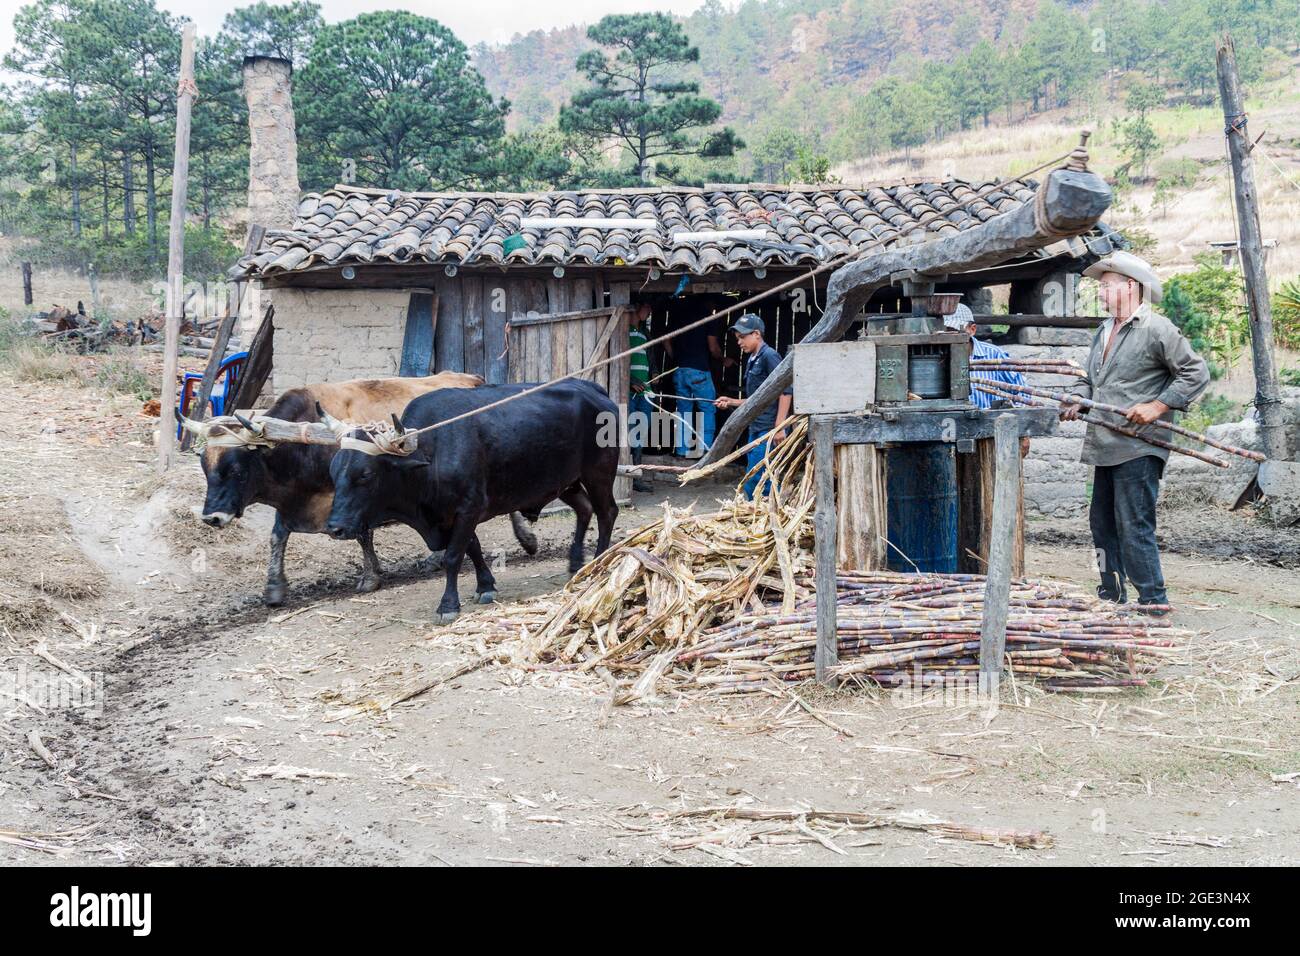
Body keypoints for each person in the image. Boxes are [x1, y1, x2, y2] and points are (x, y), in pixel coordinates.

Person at [1059, 251, 1209, 613]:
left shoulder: (1157, 329)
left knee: (1133, 525)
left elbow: (1195, 372)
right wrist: (1079, 400)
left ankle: (1153, 603)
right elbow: (1089, 380)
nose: (1100, 293)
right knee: (1101, 526)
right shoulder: (1103, 329)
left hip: (1140, 446)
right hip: (1105, 442)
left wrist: (1157, 406)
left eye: (1106, 286)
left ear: (1130, 287)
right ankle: (1111, 595)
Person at [714, 314, 793, 500]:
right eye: (737, 338)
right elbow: (756, 399)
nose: (739, 342)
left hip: (769, 429)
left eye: (742, 337)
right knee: (759, 474)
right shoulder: (752, 359)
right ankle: (768, 512)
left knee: (757, 476)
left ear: (756, 334)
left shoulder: (769, 356)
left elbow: (786, 391)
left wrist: (780, 426)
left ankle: (764, 513)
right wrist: (731, 402)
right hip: (756, 427)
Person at [946, 302, 1031, 457]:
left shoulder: (994, 356)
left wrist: (1023, 433)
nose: (949, 337)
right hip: (952, 437)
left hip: (992, 439)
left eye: (955, 331)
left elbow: (1021, 394)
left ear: (972, 329)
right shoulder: (939, 358)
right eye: (945, 331)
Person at [663, 312, 723, 457]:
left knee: (684, 411)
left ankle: (682, 451)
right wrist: (723, 358)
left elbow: (665, 340)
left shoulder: (678, 317)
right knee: (707, 409)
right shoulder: (708, 317)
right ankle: (704, 451)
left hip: (680, 371)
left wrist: (676, 358)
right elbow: (713, 348)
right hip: (699, 371)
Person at [627, 304, 655, 493]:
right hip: (629, 391)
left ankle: (636, 477)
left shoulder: (644, 333)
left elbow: (649, 358)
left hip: (645, 391)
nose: (649, 311)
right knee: (629, 433)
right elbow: (618, 360)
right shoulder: (624, 332)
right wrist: (630, 380)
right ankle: (628, 477)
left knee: (641, 432)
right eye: (646, 307)